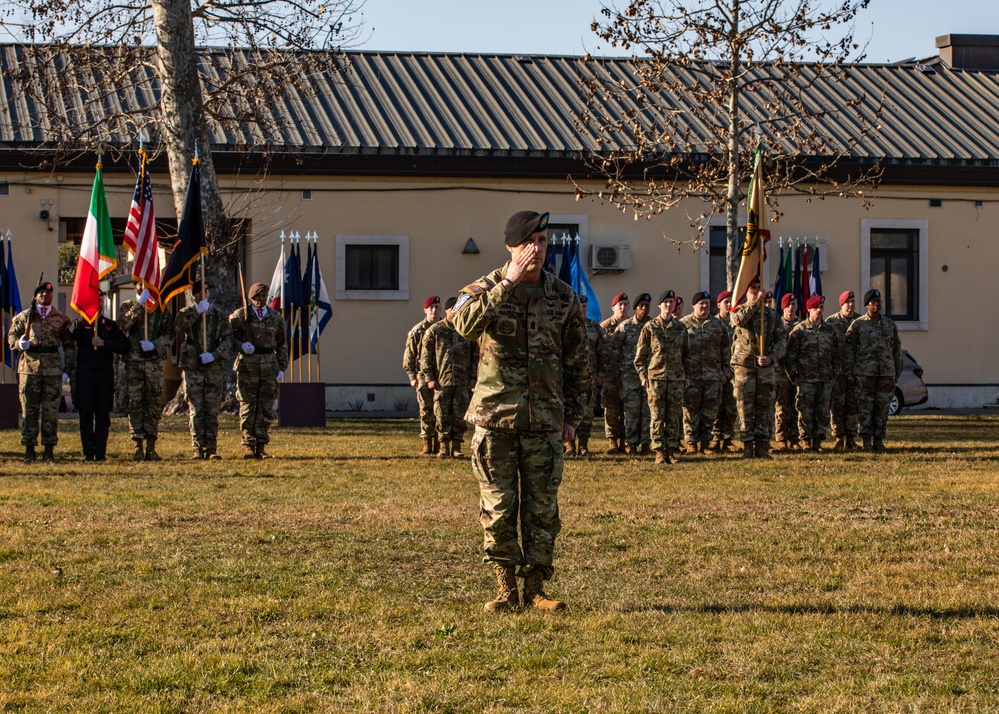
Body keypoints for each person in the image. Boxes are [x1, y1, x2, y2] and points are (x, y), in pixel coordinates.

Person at [452, 210, 589, 613]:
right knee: (497, 507)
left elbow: (578, 360)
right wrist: (509, 282)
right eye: (531, 242)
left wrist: (573, 417)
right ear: (512, 247)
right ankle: (505, 588)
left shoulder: (563, 296)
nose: (538, 250)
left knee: (542, 508)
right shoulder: (484, 288)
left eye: (544, 242)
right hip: (495, 420)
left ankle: (536, 588)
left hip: (545, 421)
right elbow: (463, 324)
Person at [7, 282, 75, 463]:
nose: (45, 295)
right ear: (35, 296)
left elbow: (69, 346)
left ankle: (49, 450)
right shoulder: (25, 316)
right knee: (29, 410)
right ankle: (29, 450)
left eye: (48, 293)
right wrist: (18, 343)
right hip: (29, 368)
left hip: (52, 369)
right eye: (41, 292)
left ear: (52, 296)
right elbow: (11, 336)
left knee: (51, 411)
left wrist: (67, 369)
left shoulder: (61, 318)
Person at [68, 290, 130, 462]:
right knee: (86, 414)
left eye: (100, 300)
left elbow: (123, 345)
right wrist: (83, 318)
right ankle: (88, 452)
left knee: (103, 414)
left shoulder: (108, 325)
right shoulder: (81, 323)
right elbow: (71, 334)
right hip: (85, 374)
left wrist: (104, 343)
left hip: (103, 374)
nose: (98, 303)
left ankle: (100, 452)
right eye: (95, 300)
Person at [230, 282, 289, 459]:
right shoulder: (241, 315)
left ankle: (261, 445)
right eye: (257, 297)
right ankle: (249, 445)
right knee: (248, 407)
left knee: (265, 408)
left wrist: (281, 367)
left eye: (263, 296)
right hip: (248, 366)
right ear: (250, 298)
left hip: (269, 367)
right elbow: (228, 339)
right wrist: (241, 346)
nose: (260, 300)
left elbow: (282, 344)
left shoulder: (275, 317)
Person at [175, 280, 234, 460]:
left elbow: (228, 338)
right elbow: (178, 327)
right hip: (193, 367)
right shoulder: (187, 313)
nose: (203, 295)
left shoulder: (218, 314)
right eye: (199, 292)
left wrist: (216, 354)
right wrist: (196, 311)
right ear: (194, 295)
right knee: (196, 409)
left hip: (213, 367)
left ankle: (211, 448)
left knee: (211, 409)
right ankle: (197, 448)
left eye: (205, 291)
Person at [730, 277, 787, 459]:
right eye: (752, 288)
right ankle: (747, 445)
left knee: (765, 406)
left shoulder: (772, 315)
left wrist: (771, 358)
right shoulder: (739, 310)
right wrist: (754, 303)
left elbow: (782, 340)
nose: (756, 290)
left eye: (758, 287)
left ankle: (762, 445)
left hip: (765, 368)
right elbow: (738, 320)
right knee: (745, 407)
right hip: (744, 367)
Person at [118, 280, 174, 461]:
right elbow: (122, 326)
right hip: (133, 364)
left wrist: (155, 345)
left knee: (153, 405)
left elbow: (170, 334)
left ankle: (151, 446)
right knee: (135, 404)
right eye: (140, 285)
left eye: (147, 284)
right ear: (135, 286)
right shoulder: (127, 306)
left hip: (154, 364)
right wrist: (139, 305)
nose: (144, 287)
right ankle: (137, 446)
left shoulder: (161, 308)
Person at [634, 290, 689, 465]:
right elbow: (640, 357)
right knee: (657, 416)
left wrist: (686, 376)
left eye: (671, 302)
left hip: (675, 379)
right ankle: (659, 451)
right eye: (665, 302)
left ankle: (671, 451)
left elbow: (687, 355)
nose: (668, 305)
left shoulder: (680, 328)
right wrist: (643, 376)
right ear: (659, 306)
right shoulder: (650, 327)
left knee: (673, 416)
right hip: (656, 379)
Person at [419, 296, 478, 459]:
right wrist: (430, 378)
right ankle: (443, 446)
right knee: (441, 415)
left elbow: (475, 355)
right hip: (441, 382)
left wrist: (473, 377)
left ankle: (457, 446)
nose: (457, 311)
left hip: (462, 382)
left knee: (459, 415)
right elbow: (426, 357)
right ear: (447, 310)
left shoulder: (467, 330)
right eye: (454, 308)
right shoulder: (435, 330)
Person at [845, 289, 902, 452]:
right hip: (864, 374)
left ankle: (879, 439)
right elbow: (849, 351)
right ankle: (866, 440)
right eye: (873, 303)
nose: (877, 305)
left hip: (885, 373)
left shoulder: (889, 324)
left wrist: (896, 372)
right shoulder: (858, 324)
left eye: (879, 302)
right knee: (865, 408)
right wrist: (850, 373)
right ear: (867, 305)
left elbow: (896, 349)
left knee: (882, 408)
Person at [786, 295, 840, 452]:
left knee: (823, 412)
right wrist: (794, 377)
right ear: (809, 309)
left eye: (821, 308)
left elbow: (835, 355)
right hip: (806, 379)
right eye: (816, 308)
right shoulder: (800, 331)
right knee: (805, 411)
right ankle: (807, 442)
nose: (819, 311)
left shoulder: (829, 330)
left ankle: (818, 441)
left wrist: (834, 374)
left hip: (825, 378)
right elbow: (791, 357)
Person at [681, 291, 731, 454]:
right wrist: (682, 374)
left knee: (709, 411)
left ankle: (705, 443)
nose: (704, 306)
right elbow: (678, 352)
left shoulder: (718, 325)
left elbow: (725, 350)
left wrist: (725, 372)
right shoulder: (684, 325)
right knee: (691, 411)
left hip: (713, 376)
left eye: (707, 303)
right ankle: (691, 444)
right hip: (691, 377)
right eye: (701, 303)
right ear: (694, 305)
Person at [614, 292, 653, 455]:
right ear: (636, 308)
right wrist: (616, 374)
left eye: (646, 306)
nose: (644, 309)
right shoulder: (625, 326)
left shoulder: (653, 326)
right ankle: (631, 445)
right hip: (629, 375)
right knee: (631, 412)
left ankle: (645, 444)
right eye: (641, 306)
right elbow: (615, 351)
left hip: (649, 375)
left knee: (647, 412)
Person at [404, 296, 442, 455]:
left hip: (442, 377)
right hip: (423, 378)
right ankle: (427, 443)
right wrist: (412, 376)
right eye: (431, 307)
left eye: (437, 307)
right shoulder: (417, 331)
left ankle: (441, 444)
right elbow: (409, 356)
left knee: (442, 411)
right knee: (426, 410)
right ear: (425, 310)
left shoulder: (445, 328)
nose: (434, 310)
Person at [572, 293, 607, 457]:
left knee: (587, 413)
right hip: (570, 377)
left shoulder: (595, 328)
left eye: (584, 306)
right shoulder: (566, 326)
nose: (582, 309)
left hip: (590, 377)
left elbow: (602, 353)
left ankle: (584, 446)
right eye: (579, 306)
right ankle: (569, 447)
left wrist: (600, 374)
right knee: (569, 411)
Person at [826, 290, 860, 450]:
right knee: (837, 406)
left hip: (854, 372)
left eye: (853, 302)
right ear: (842, 304)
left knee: (853, 406)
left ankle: (851, 438)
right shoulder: (832, 322)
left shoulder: (860, 322)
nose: (851, 305)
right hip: (837, 373)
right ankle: (839, 438)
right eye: (848, 302)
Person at [710, 290, 740, 453]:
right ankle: (715, 438)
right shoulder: (713, 323)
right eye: (726, 302)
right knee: (716, 405)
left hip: (735, 370)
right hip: (716, 371)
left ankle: (728, 438)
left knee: (731, 405)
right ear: (719, 304)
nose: (729, 305)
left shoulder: (738, 323)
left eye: (731, 302)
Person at [599, 293, 629, 453]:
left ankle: (625, 441)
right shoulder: (604, 327)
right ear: (613, 308)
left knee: (627, 409)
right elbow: (599, 351)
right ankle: (612, 441)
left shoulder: (634, 325)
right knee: (610, 409)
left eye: (625, 304)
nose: (623, 308)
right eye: (620, 305)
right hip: (609, 375)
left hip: (628, 375)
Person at [774, 293, 801, 451]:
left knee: (796, 407)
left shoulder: (802, 325)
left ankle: (794, 438)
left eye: (794, 304)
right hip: (781, 373)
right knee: (782, 407)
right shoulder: (777, 325)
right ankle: (781, 438)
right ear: (783, 307)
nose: (791, 308)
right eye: (788, 305)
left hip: (797, 373)